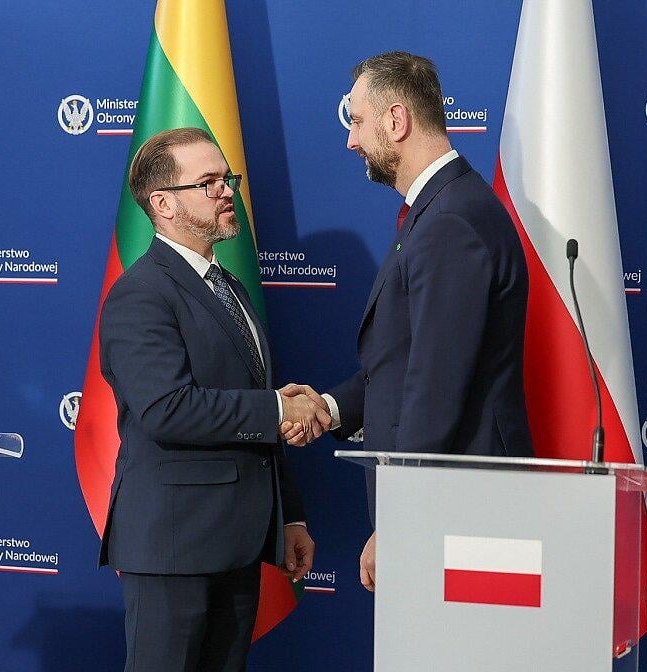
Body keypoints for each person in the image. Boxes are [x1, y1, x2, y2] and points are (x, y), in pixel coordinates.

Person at [284, 52, 534, 592]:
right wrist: (329, 408)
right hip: (454, 502)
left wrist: (401, 515)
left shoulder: (449, 221)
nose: (351, 140)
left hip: (463, 506)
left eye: (357, 122)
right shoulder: (442, 209)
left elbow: (435, 385)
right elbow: (404, 360)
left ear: (396, 120)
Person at [98, 127, 322, 672]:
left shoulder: (231, 289)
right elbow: (167, 409)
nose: (227, 191)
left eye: (228, 178)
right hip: (174, 548)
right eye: (209, 182)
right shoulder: (140, 294)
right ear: (164, 204)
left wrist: (290, 516)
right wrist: (278, 409)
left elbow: (254, 408)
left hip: (239, 545)